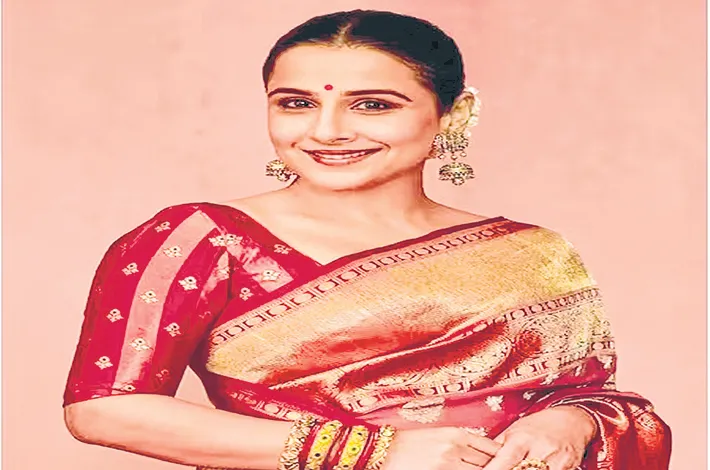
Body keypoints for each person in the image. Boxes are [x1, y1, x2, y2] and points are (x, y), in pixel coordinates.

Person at [63, 9, 671, 470]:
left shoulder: (531, 253)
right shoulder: (202, 239)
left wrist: (572, 423)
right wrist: (374, 451)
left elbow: (590, 396)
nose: (327, 131)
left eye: (373, 105)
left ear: (454, 115)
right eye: (295, 103)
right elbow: (103, 407)